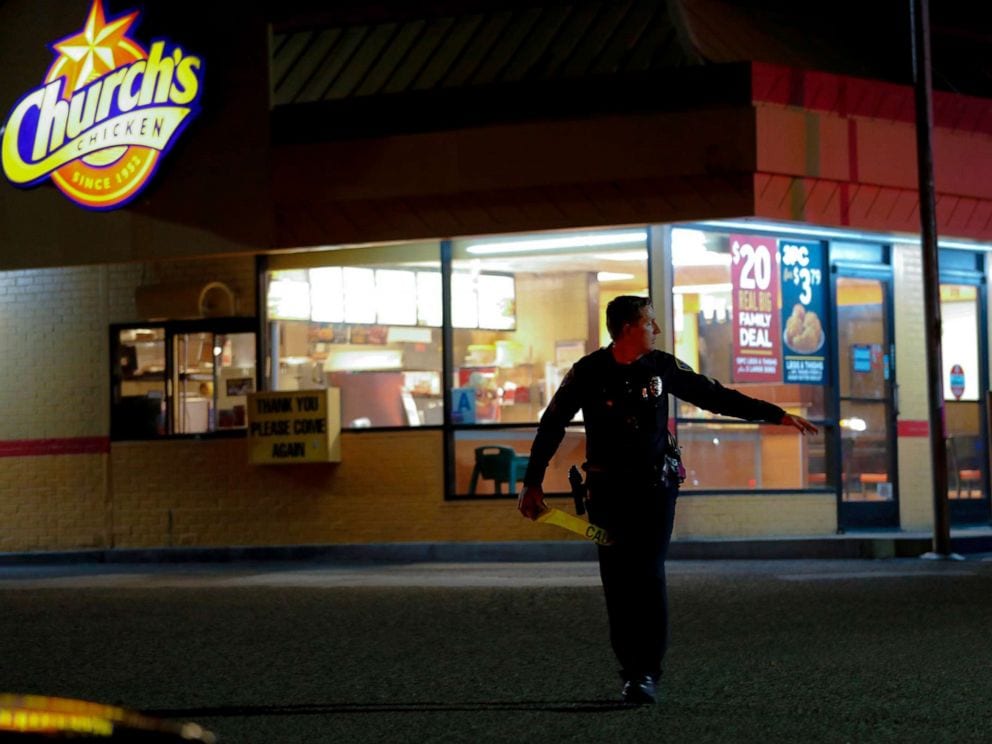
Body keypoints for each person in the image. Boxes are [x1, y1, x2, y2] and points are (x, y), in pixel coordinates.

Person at [517, 295, 817, 704]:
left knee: (647, 572)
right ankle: (631, 671)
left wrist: (775, 414)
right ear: (627, 328)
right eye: (649, 322)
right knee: (618, 581)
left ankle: (646, 673)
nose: (656, 330)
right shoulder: (588, 371)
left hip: (655, 488)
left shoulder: (662, 367)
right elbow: (552, 423)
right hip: (606, 491)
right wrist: (532, 482)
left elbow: (714, 395)